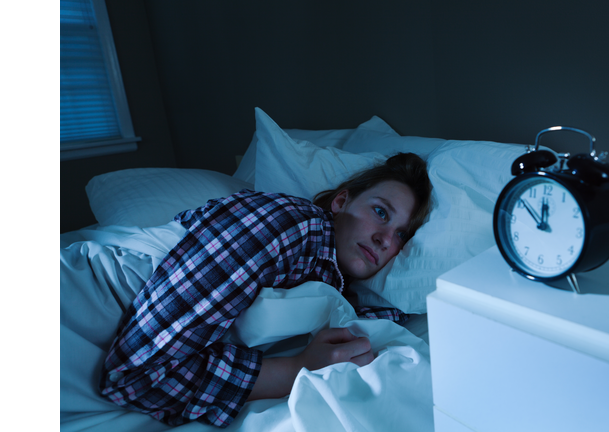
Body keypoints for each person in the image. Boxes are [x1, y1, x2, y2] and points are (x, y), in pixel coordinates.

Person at [98, 152, 432, 428]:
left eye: (401, 235)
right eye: (380, 212)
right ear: (341, 201)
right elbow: (136, 377)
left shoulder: (330, 283)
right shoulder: (292, 224)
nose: (386, 239)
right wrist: (296, 367)